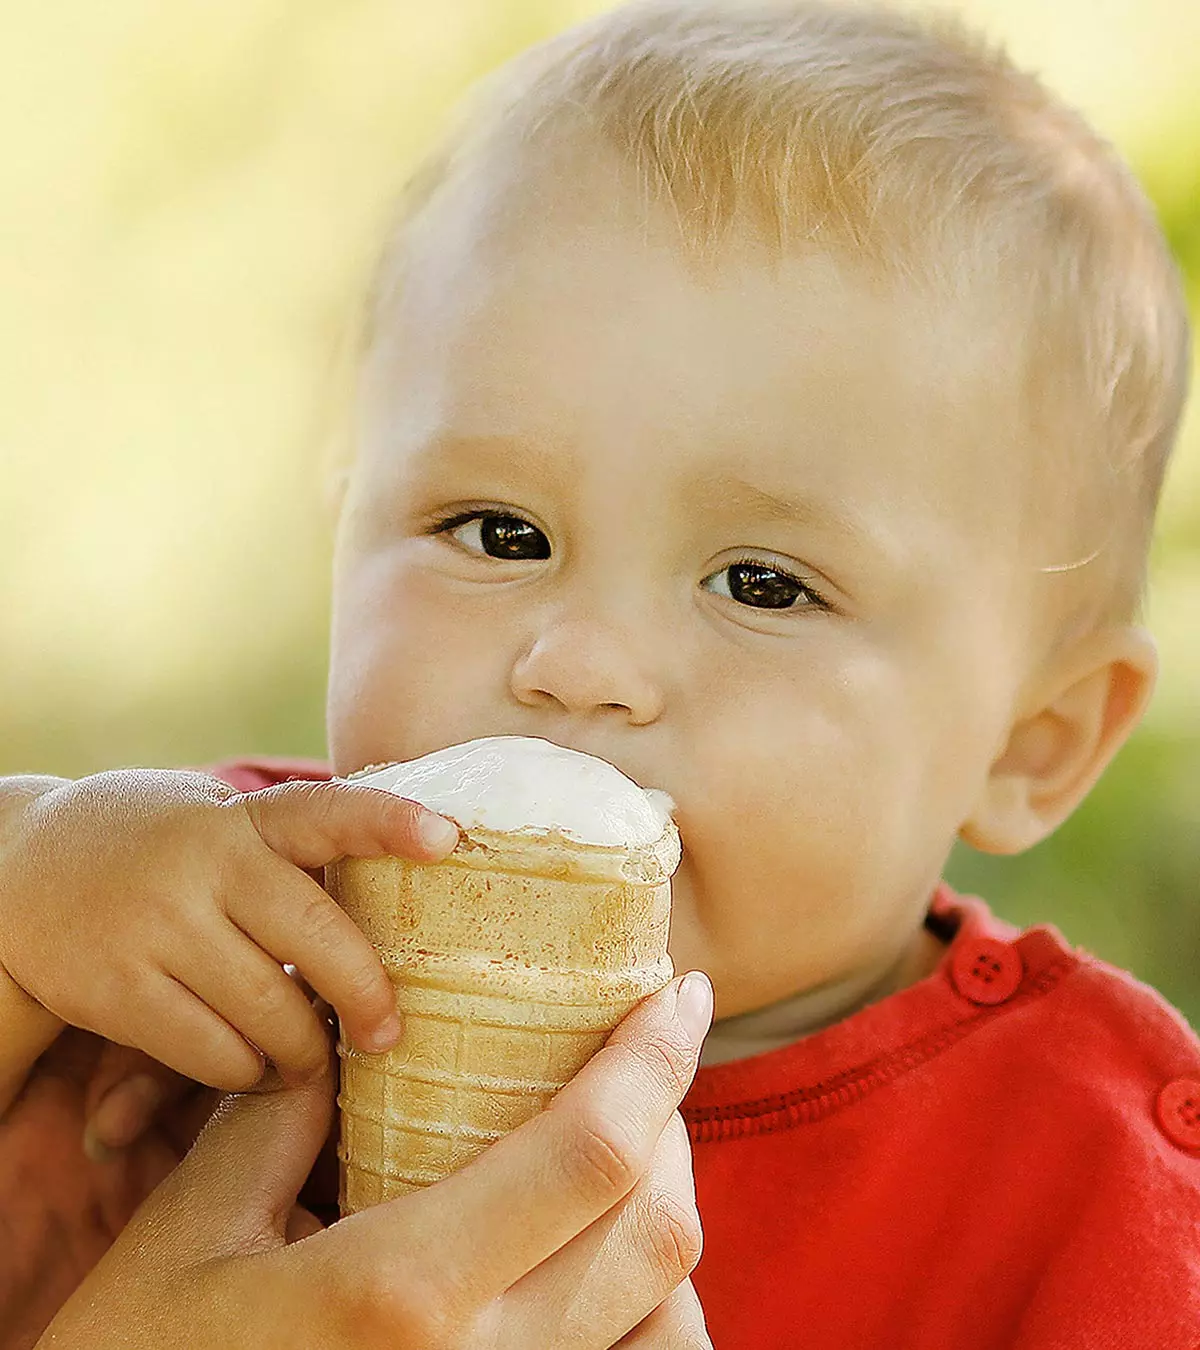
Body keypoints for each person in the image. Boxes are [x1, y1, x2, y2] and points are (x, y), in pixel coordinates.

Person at [1, 0, 1197, 1345]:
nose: (578, 665)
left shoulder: (1101, 1201)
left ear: (1032, 738)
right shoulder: (198, 936)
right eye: (499, 533)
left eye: (764, 582)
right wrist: (34, 863)